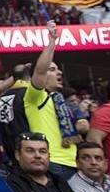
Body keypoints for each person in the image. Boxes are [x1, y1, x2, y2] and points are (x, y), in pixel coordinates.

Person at [21, 21, 78, 180]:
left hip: (74, 162)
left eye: (57, 69)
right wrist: (52, 41)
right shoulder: (35, 97)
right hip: (53, 163)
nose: (59, 72)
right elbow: (40, 69)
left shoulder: (60, 100)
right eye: (52, 70)